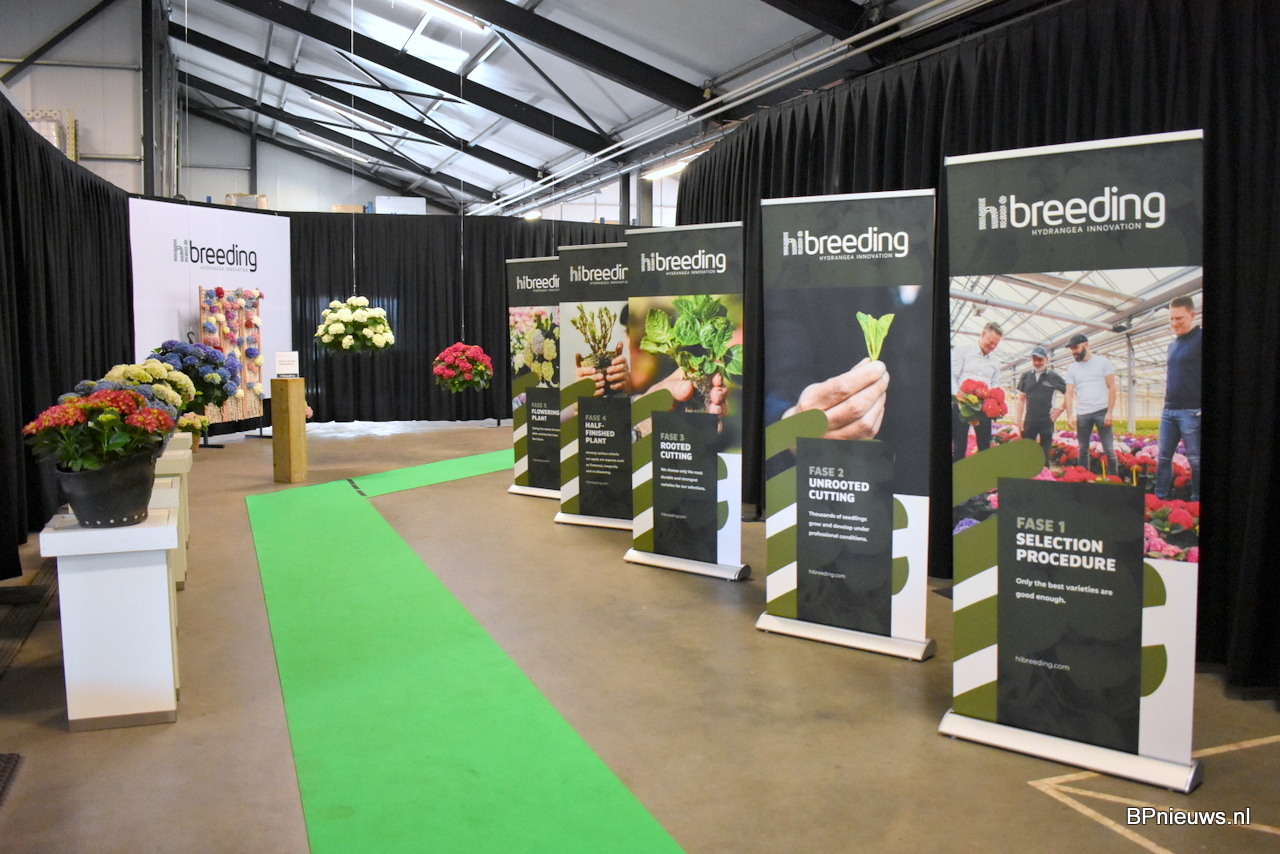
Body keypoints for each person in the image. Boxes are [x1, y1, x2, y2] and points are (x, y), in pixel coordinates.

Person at [1155, 296, 1201, 500]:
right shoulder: (1172, 345)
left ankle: (1197, 502)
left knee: (1196, 460)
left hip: (1191, 411)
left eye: (1179, 318)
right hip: (1169, 410)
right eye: (1171, 319)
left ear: (1193, 314)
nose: (1174, 323)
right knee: (1163, 458)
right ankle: (1159, 499)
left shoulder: (1201, 339)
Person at [1062, 332, 1118, 476]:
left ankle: (1114, 479)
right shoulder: (1072, 368)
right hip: (1083, 413)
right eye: (1071, 349)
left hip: (1102, 411)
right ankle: (1083, 478)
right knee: (1083, 449)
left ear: (1086, 345)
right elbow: (1069, 393)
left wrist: (1110, 412)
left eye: (1076, 347)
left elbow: (1112, 387)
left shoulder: (1102, 362)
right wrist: (1069, 415)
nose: (1073, 352)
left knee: (1109, 449)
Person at [950, 322, 1004, 461]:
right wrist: (958, 396)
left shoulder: (996, 361)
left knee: (984, 445)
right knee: (959, 445)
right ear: (982, 334)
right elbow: (953, 376)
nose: (992, 346)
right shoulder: (962, 351)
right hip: (961, 405)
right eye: (990, 342)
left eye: (996, 344)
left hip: (984, 408)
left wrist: (993, 401)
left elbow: (995, 383)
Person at [1015, 345, 1065, 462]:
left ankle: (1045, 472)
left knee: (1044, 453)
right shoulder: (1025, 376)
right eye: (1034, 359)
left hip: (1046, 420)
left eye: (1040, 359)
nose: (1037, 362)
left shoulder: (1053, 377)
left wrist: (1060, 409)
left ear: (1046, 359)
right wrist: (1018, 419)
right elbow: (1021, 399)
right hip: (1030, 420)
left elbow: (1068, 393)